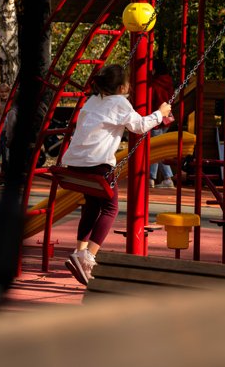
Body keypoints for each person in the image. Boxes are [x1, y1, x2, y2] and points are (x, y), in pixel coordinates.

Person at [61, 64, 171, 285]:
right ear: (122, 87)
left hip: (73, 165)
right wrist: (161, 113)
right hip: (97, 165)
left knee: (92, 206)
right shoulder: (120, 102)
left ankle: (79, 251)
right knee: (111, 207)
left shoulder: (92, 100)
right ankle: (88, 256)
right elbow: (139, 126)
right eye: (128, 83)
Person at [149, 58, 175, 189]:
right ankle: (166, 178)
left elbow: (152, 99)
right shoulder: (168, 81)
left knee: (154, 148)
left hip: (157, 118)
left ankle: (152, 178)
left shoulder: (154, 84)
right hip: (167, 118)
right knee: (158, 148)